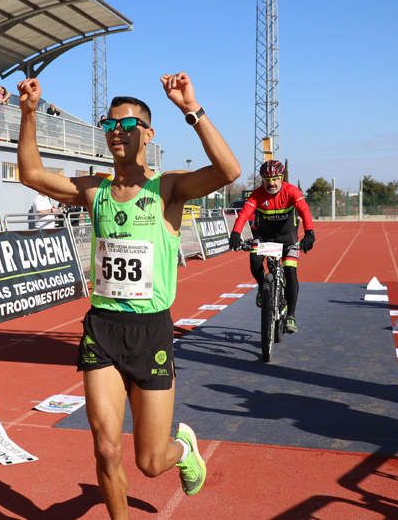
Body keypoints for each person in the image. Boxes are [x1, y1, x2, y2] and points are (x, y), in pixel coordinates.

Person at [15, 72, 240, 517]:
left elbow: (229, 172)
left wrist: (190, 109)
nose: (117, 131)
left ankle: (183, 448)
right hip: (103, 327)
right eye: (110, 124)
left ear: (148, 133)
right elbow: (31, 174)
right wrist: (28, 114)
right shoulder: (95, 189)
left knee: (151, 462)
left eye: (127, 124)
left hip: (150, 330)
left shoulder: (168, 188)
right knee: (105, 448)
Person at [228, 159, 315, 333]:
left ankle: (291, 315)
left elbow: (304, 211)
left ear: (282, 178)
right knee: (254, 261)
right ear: (262, 179)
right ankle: (262, 288)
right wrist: (236, 233)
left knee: (290, 270)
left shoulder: (291, 191)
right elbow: (245, 213)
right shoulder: (257, 194)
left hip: (287, 239)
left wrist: (310, 233)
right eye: (267, 179)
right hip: (265, 238)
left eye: (275, 179)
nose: (272, 183)